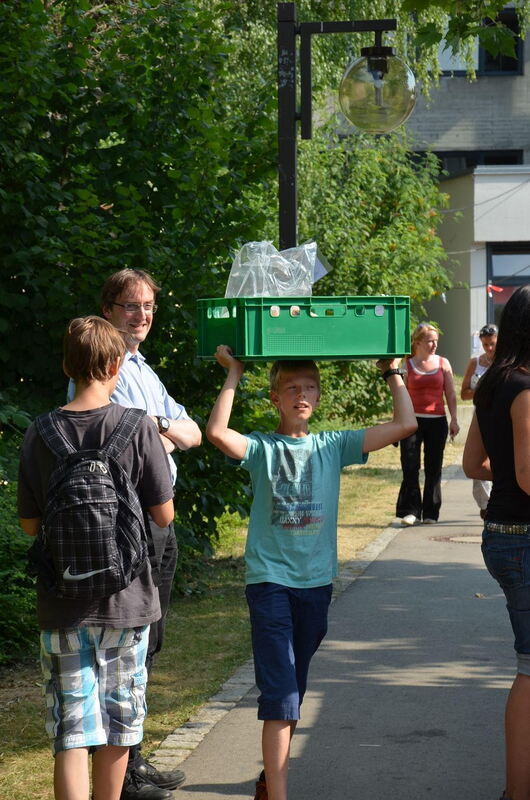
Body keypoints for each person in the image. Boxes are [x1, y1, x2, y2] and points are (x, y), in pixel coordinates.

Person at [206, 346, 417, 800]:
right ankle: (279, 793)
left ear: (319, 397)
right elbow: (218, 433)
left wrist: (392, 372)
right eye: (291, 388)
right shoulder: (263, 447)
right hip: (269, 584)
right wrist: (234, 374)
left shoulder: (332, 445)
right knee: (280, 691)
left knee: (293, 688)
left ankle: (268, 778)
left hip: (316, 586)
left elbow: (406, 425)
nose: (301, 395)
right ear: (275, 398)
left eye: (309, 388)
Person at [17, 316, 175, 800]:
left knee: (71, 729)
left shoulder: (40, 432)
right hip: (126, 602)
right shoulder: (137, 426)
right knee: (119, 725)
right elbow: (163, 516)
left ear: (68, 364)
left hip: (62, 603)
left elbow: (29, 525)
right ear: (116, 363)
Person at [99, 269, 202, 799]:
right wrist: (159, 429)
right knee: (130, 643)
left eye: (148, 307)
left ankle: (131, 758)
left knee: (150, 640)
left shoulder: (142, 367)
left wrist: (156, 427)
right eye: (131, 305)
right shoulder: (103, 367)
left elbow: (193, 432)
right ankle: (123, 769)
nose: (141, 315)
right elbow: (122, 436)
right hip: (129, 519)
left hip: (157, 520)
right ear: (109, 309)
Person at [463, 285, 530, 800]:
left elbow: (473, 465)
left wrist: (506, 474)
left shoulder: (491, 383)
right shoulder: (526, 388)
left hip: (501, 533)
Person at [395, 322, 460, 526]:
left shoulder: (443, 363)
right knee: (410, 466)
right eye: (430, 341)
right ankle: (410, 510)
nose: (434, 345)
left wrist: (454, 419)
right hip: (411, 422)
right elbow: (400, 395)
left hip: (437, 421)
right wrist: (396, 423)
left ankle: (431, 512)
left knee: (434, 468)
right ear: (418, 342)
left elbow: (450, 393)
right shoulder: (408, 364)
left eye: (436, 341)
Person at [460, 323, 498, 519]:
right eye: (485, 345)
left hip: (501, 417)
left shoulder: (505, 362)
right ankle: (485, 505)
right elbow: (464, 393)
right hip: (482, 417)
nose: (489, 349)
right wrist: (480, 391)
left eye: (492, 344)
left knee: (499, 458)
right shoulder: (475, 363)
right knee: (478, 460)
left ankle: (499, 501)